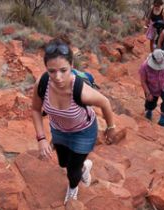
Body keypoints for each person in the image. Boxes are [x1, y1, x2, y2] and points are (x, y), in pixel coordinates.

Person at [31, 39, 116, 205]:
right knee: (63, 163)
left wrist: (111, 127)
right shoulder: (42, 84)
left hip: (83, 132)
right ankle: (85, 165)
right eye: (52, 71)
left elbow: (105, 102)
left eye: (63, 70)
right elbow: (35, 110)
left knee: (72, 171)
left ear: (71, 65)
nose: (58, 77)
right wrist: (41, 139)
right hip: (58, 130)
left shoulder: (81, 90)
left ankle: (73, 187)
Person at [139, 49, 164, 127]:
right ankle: (149, 111)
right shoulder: (144, 66)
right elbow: (143, 81)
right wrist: (148, 93)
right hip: (152, 88)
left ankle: (162, 120)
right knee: (150, 103)